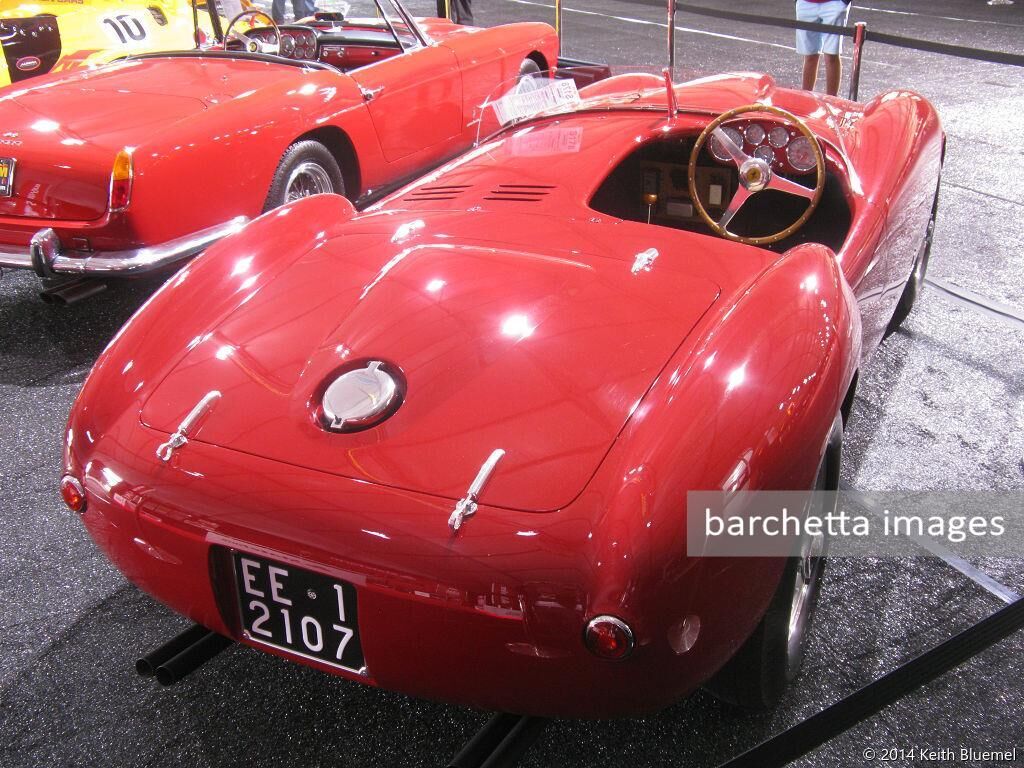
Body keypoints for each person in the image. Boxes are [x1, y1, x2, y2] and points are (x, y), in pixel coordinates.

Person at [795, 0, 852, 96]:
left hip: (834, 4)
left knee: (831, 55)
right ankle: (805, 99)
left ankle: (831, 101)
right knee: (809, 55)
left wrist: (843, 2)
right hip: (805, 4)